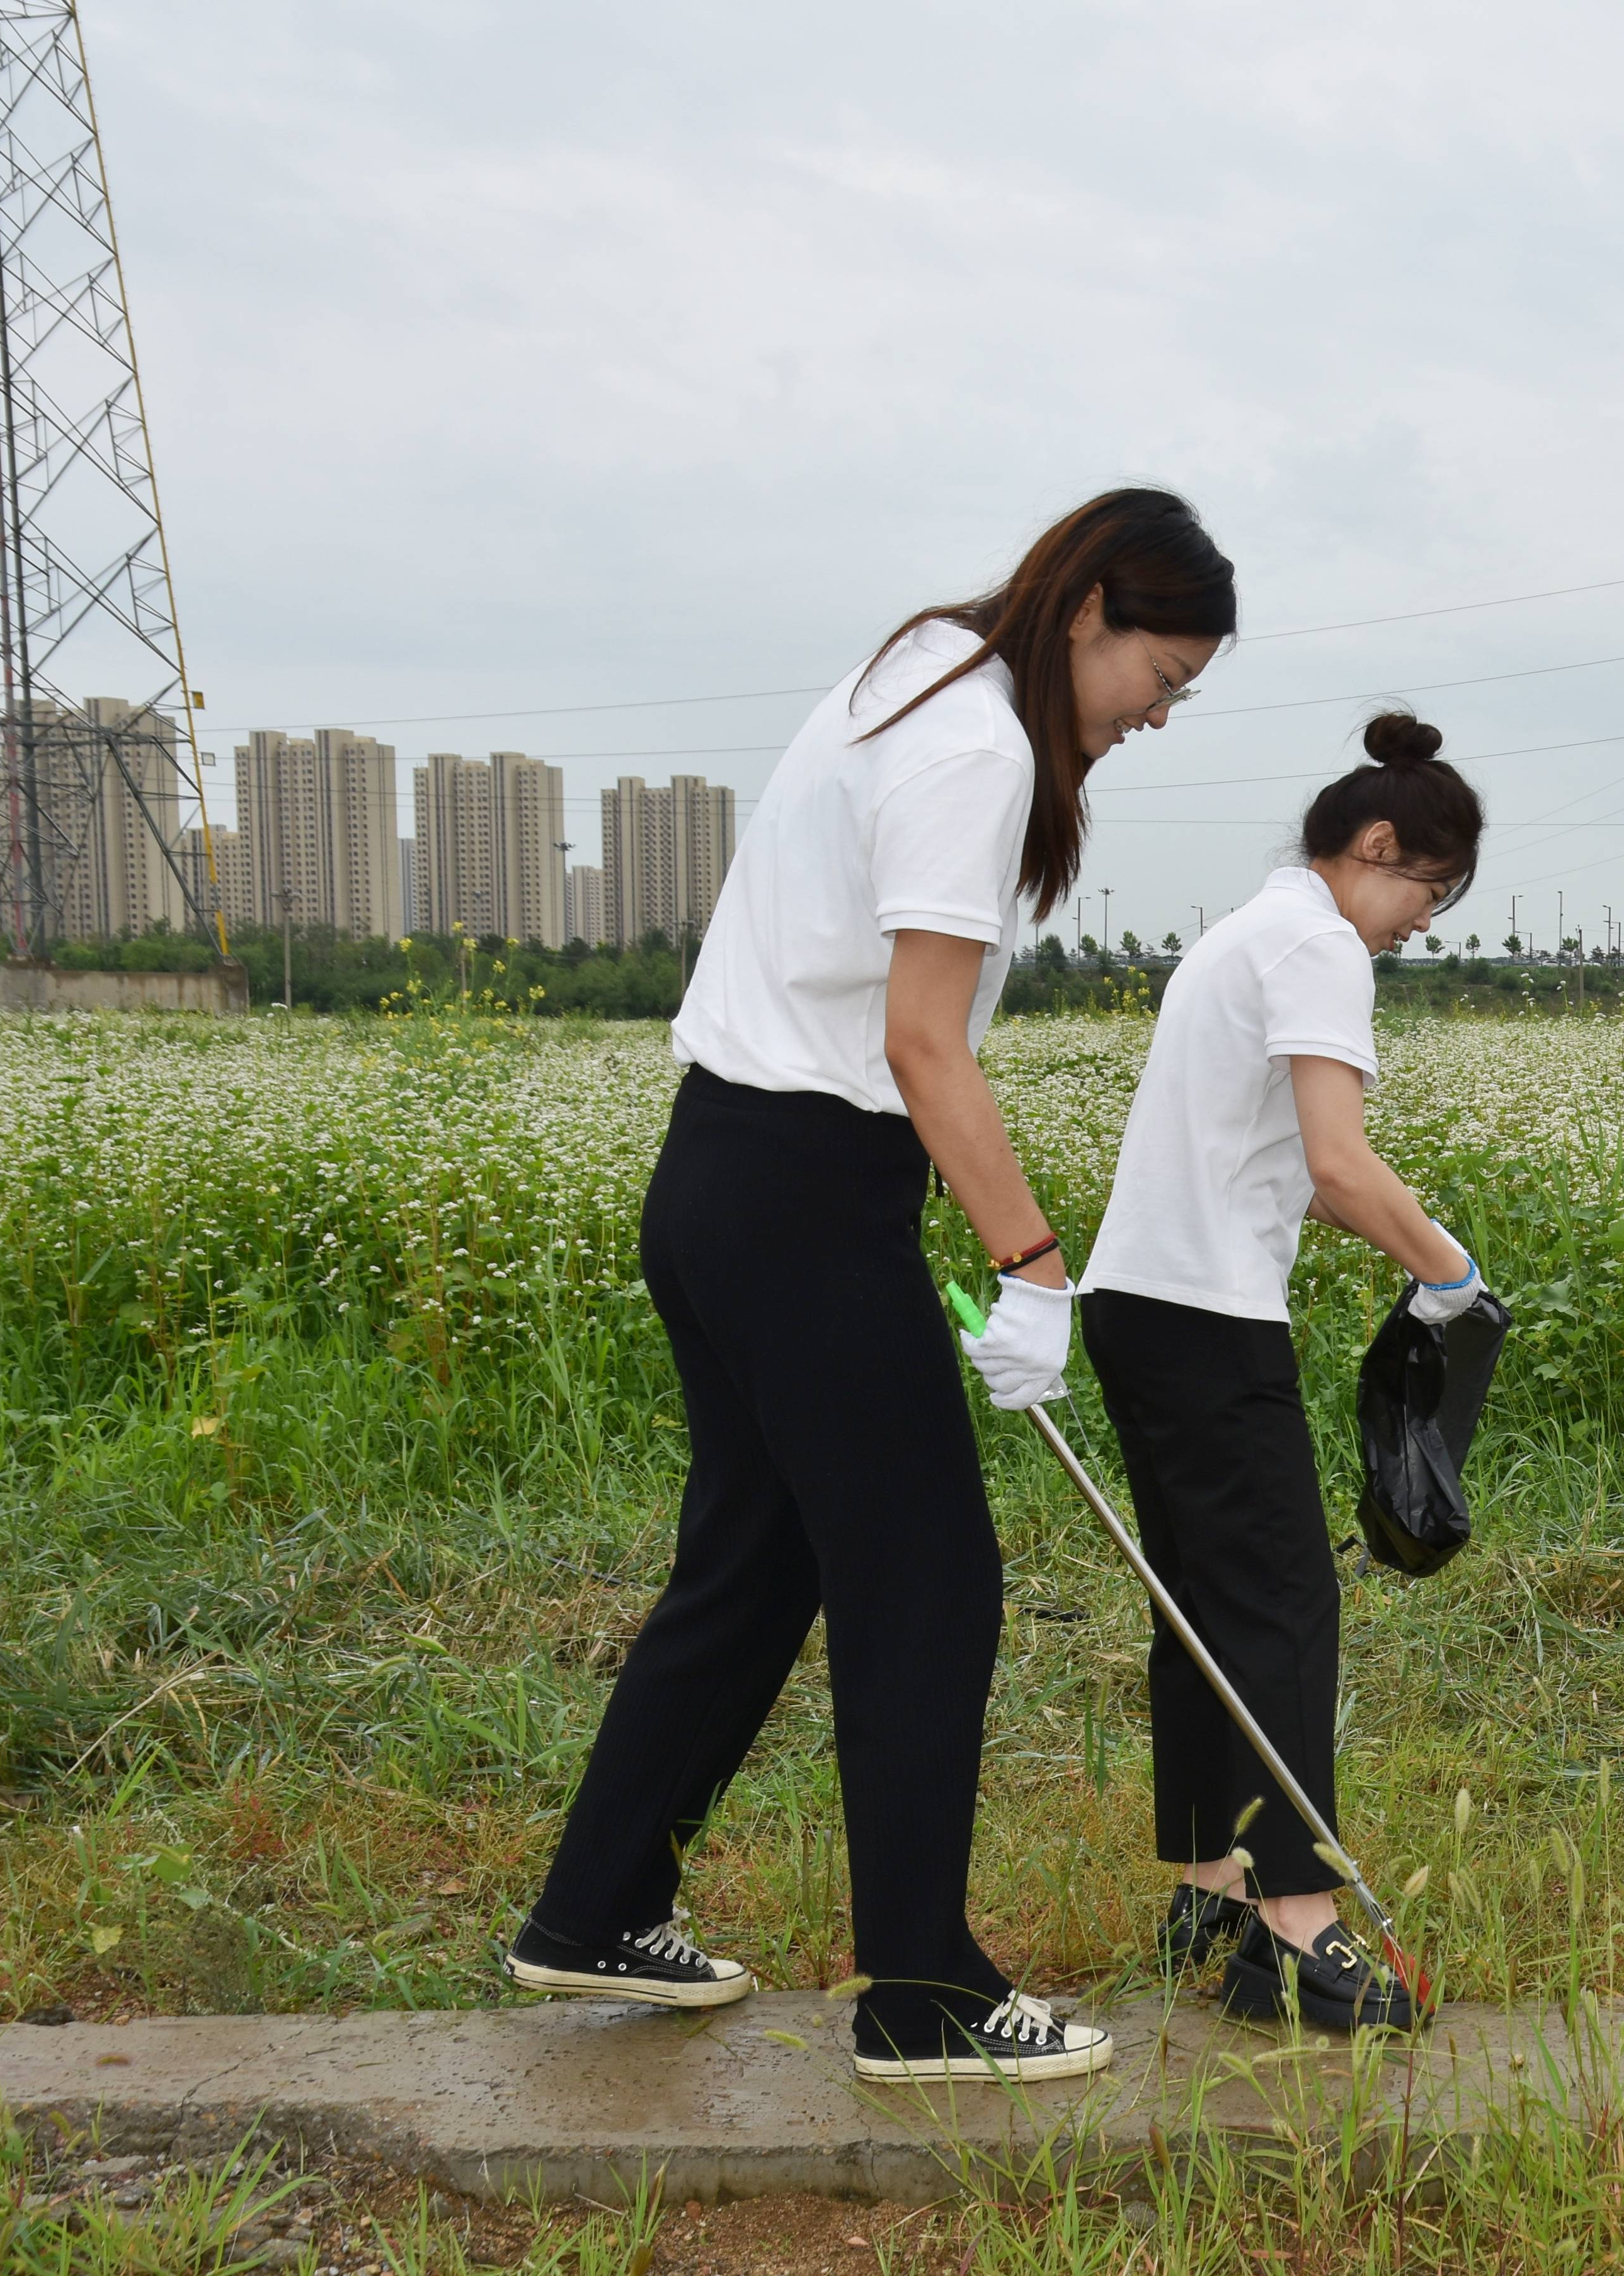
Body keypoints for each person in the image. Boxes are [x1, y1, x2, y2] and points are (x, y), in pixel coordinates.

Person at [505, 489, 1237, 2084]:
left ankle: (596, 1902)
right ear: (1094, 608)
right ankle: (923, 1993)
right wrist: (1031, 1268)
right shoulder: (979, 746)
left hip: (718, 1177)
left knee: (758, 1565)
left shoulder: (922, 668)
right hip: (803, 1198)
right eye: (1159, 677)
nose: (1156, 717)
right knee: (929, 1583)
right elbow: (922, 1042)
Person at [1075, 712, 1486, 2033]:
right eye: (1428, 889)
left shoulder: (1243, 931)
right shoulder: (1317, 942)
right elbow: (1336, 1162)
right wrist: (1451, 1272)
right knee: (1285, 1605)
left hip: (1135, 1304)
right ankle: (1296, 1935)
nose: (1423, 920)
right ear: (1376, 848)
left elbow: (1274, 1166)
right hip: (1204, 1319)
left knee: (1200, 1604)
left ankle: (1210, 1886)